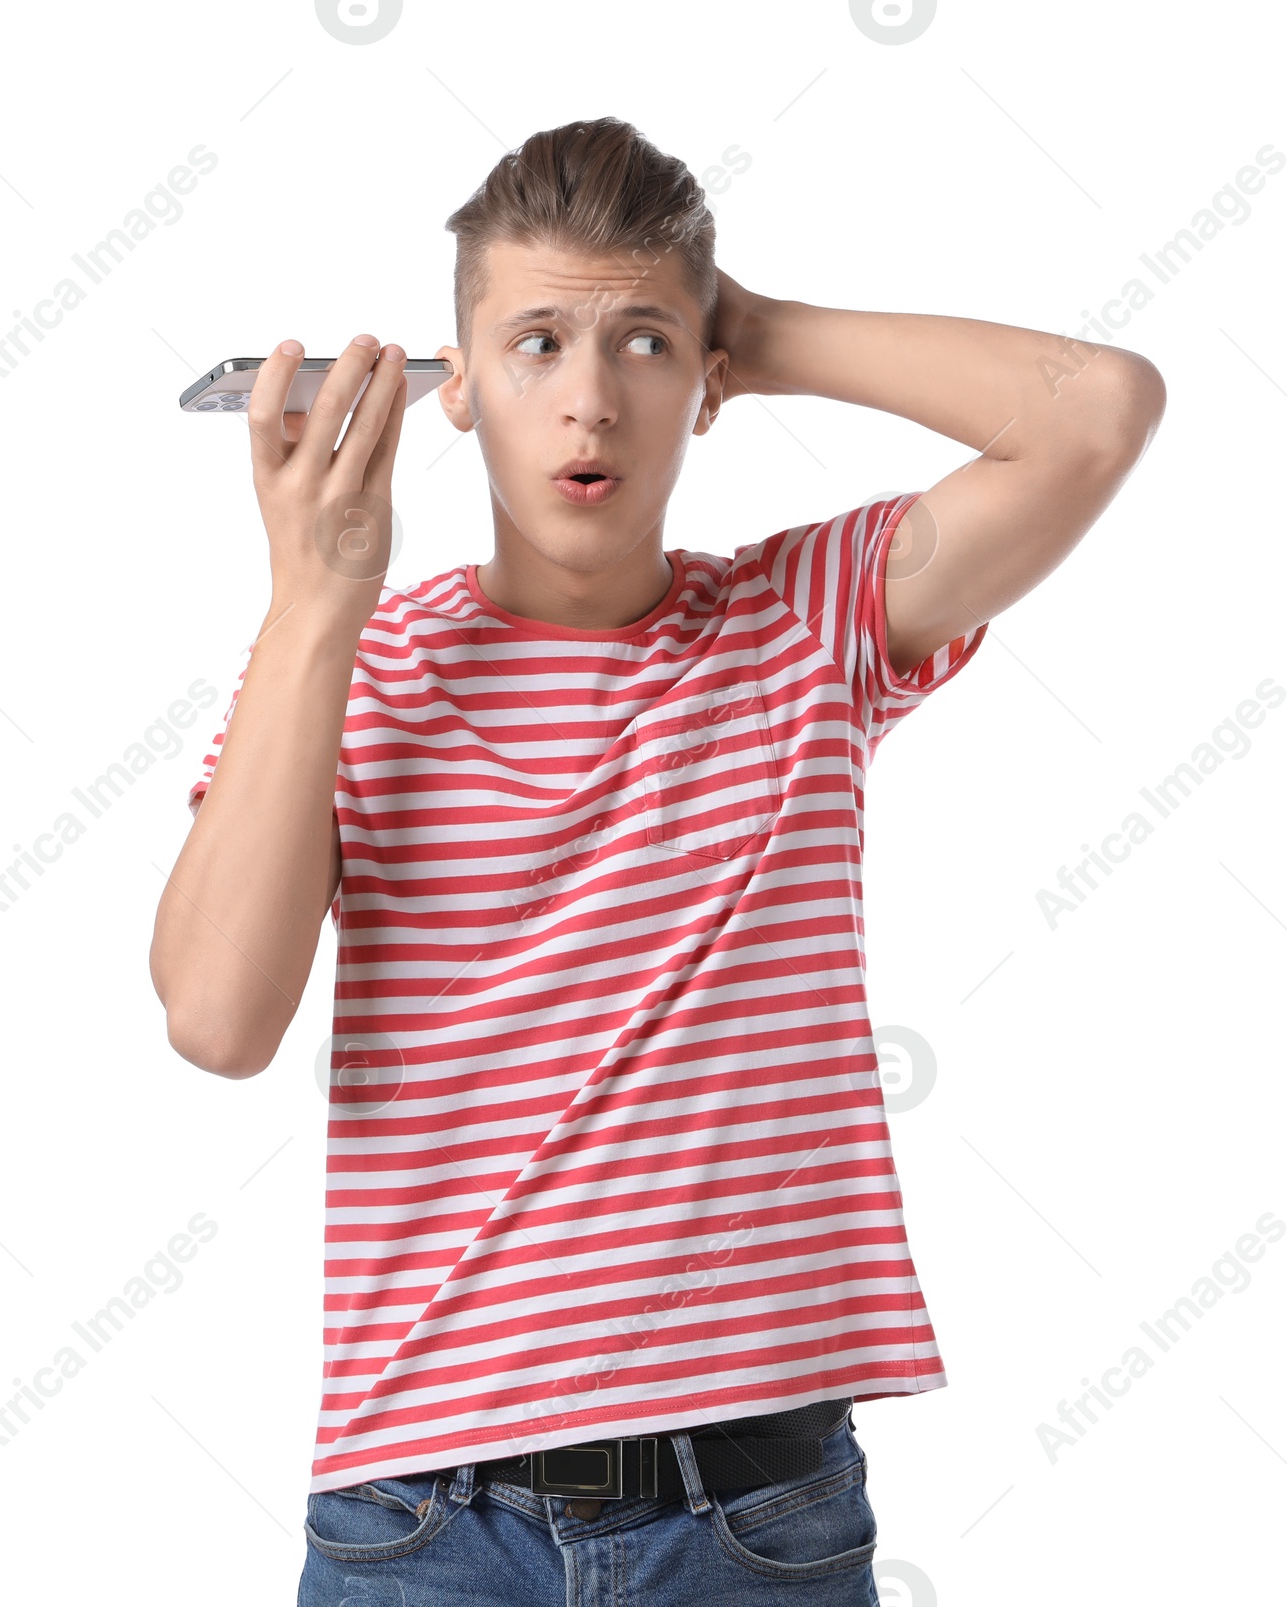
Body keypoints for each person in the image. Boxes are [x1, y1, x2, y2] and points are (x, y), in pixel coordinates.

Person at [149, 115, 1165, 1606]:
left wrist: (745, 320)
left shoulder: (803, 624)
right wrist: (315, 602)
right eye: (536, 345)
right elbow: (216, 1023)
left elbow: (1103, 411)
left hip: (754, 1524)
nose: (590, 405)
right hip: (425, 1530)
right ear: (457, 390)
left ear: (704, 388)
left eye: (641, 349)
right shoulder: (346, 668)